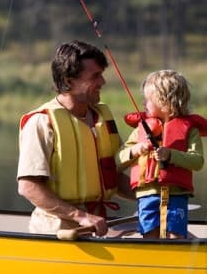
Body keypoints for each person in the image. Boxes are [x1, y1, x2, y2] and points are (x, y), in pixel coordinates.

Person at [17, 40, 132, 235]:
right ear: (69, 81)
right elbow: (28, 187)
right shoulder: (41, 122)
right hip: (58, 230)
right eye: (95, 76)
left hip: (100, 225)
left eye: (101, 75)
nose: (102, 82)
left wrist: (152, 197)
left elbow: (114, 177)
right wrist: (80, 216)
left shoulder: (101, 117)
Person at [117, 70, 207, 239]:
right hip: (146, 195)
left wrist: (170, 155)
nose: (143, 103)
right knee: (149, 235)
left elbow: (197, 161)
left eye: (148, 99)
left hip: (177, 195)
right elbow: (117, 162)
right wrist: (136, 149)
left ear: (165, 101)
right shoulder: (141, 129)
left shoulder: (189, 130)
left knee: (176, 235)